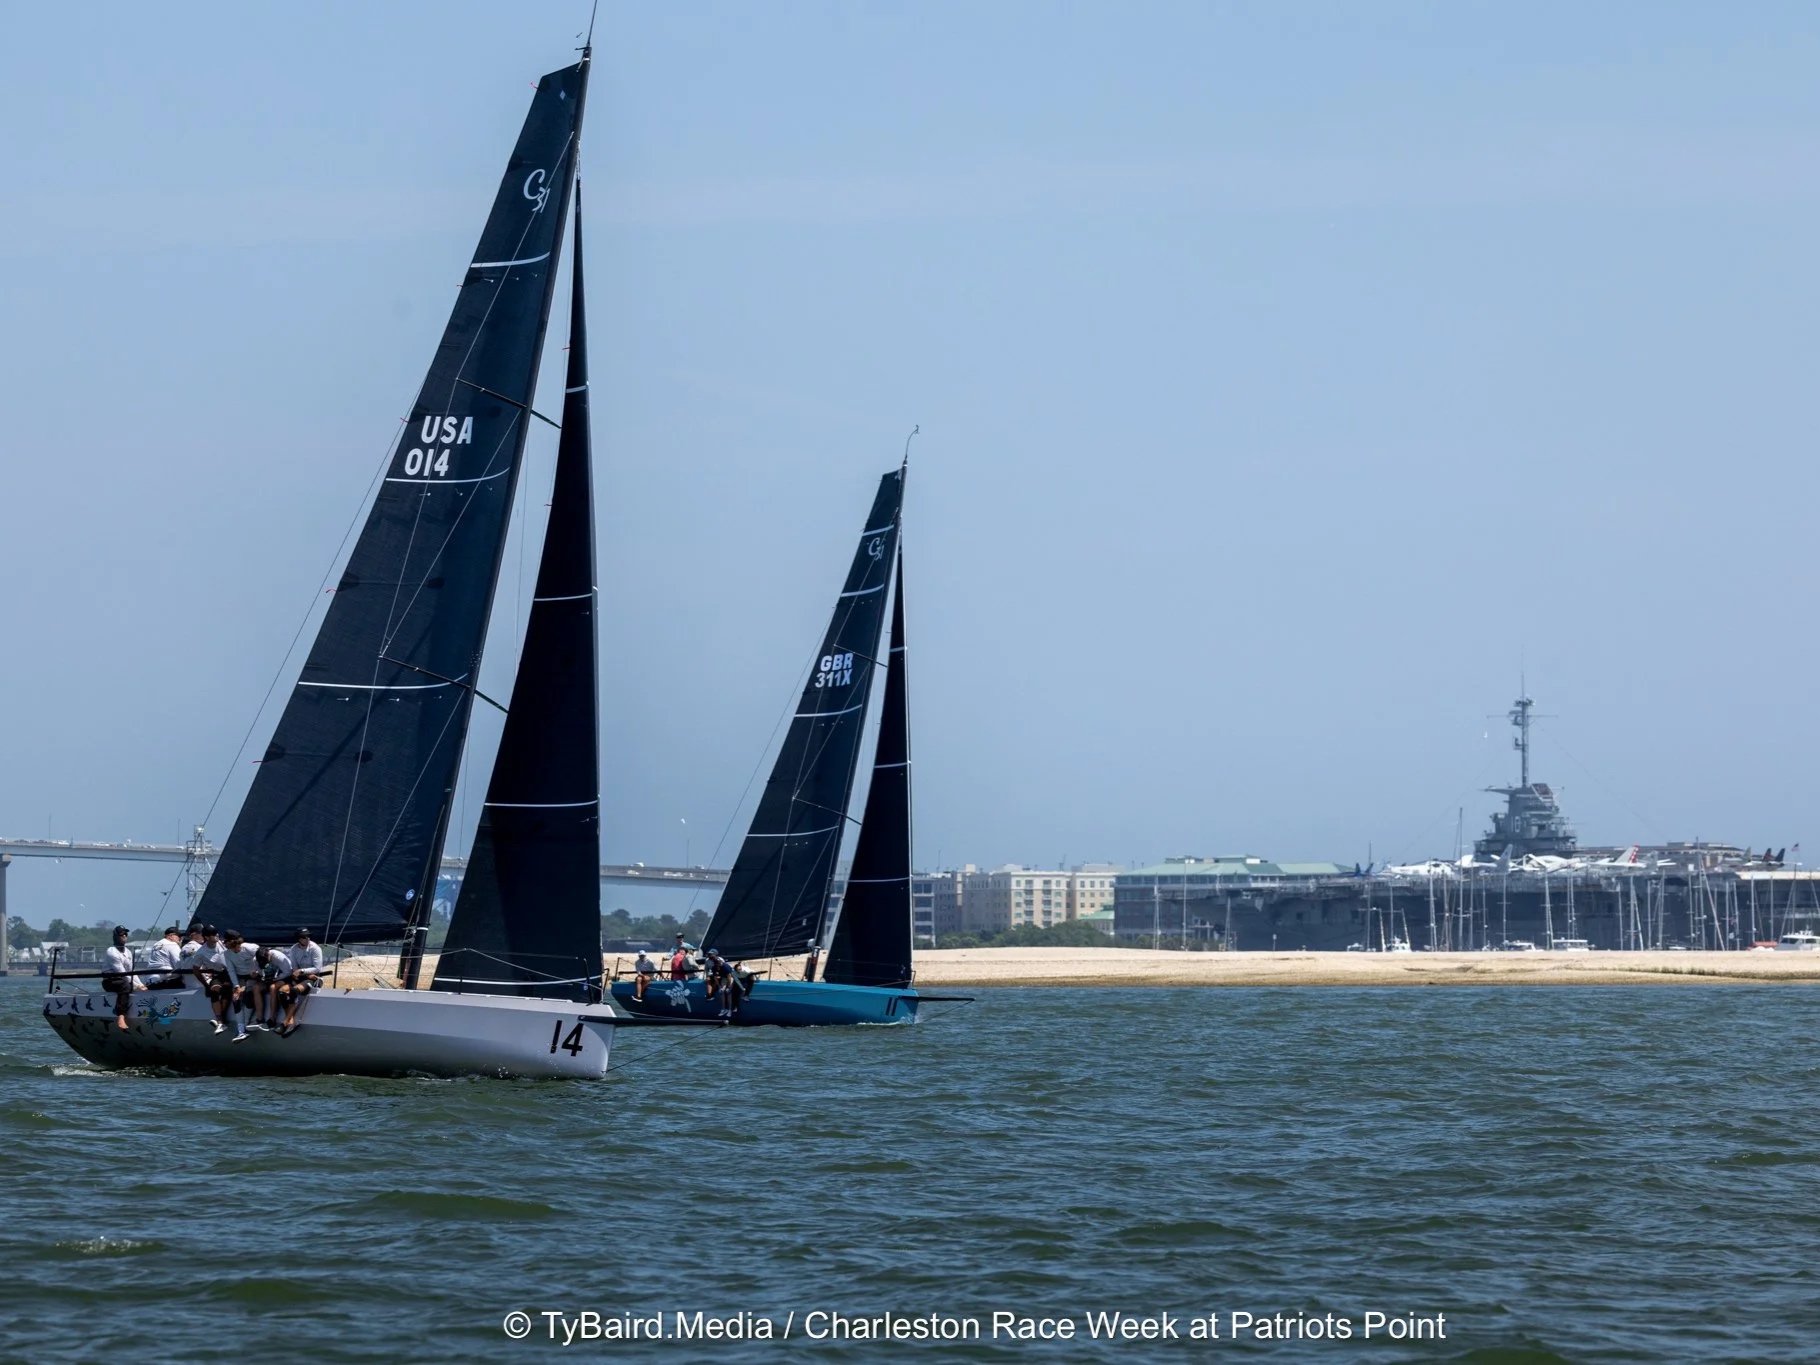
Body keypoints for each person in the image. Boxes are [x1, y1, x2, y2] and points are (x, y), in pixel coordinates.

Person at [279, 929, 324, 1035]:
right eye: (304, 937)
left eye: (308, 936)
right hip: (299, 976)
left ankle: (285, 1022)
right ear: (299, 939)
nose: (307, 938)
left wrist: (302, 971)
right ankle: (290, 1018)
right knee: (281, 991)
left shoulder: (315, 948)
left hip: (313, 977)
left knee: (294, 991)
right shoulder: (294, 949)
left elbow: (317, 968)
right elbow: (294, 966)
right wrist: (297, 972)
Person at [220, 932, 261, 1041]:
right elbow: (231, 970)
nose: (235, 951)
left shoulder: (250, 948)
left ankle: (246, 1024)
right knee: (236, 999)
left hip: (254, 977)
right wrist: (237, 986)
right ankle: (241, 1031)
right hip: (241, 978)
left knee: (248, 993)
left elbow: (262, 957)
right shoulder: (226, 953)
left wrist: (256, 972)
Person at [100, 926, 141, 1031]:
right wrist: (136, 985)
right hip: (110, 980)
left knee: (134, 985)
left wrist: (140, 985)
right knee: (126, 985)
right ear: (116, 936)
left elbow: (131, 972)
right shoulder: (111, 951)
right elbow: (122, 972)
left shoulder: (128, 952)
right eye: (121, 934)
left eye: (126, 934)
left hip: (123, 978)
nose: (124, 936)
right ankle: (121, 1016)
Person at [249, 945, 293, 1030]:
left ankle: (272, 1019)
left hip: (284, 977)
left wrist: (274, 978)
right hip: (267, 979)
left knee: (273, 988)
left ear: (268, 955)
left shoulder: (279, 957)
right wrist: (254, 974)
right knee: (256, 987)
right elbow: (256, 972)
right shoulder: (255, 960)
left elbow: (288, 972)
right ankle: (259, 1019)